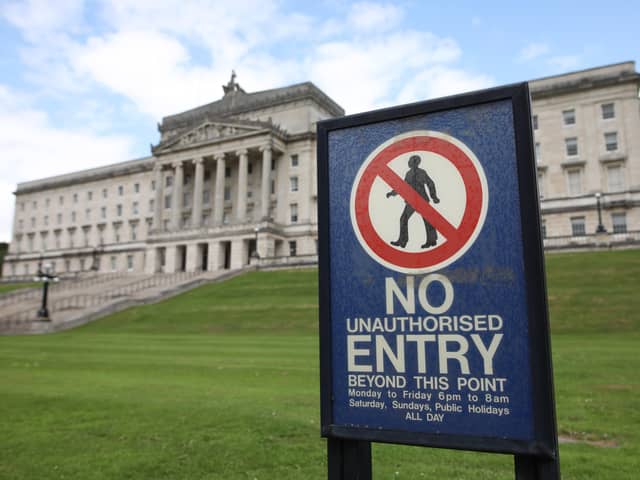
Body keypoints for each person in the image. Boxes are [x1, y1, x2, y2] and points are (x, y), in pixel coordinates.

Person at [386, 154, 440, 248]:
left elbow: (430, 183)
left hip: (422, 200)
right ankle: (402, 241)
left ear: (416, 163)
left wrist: (434, 197)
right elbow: (402, 186)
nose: (409, 162)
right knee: (403, 219)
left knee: (428, 220)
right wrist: (392, 193)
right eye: (410, 161)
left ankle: (432, 241)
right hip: (411, 201)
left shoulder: (422, 172)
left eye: (411, 161)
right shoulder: (408, 173)